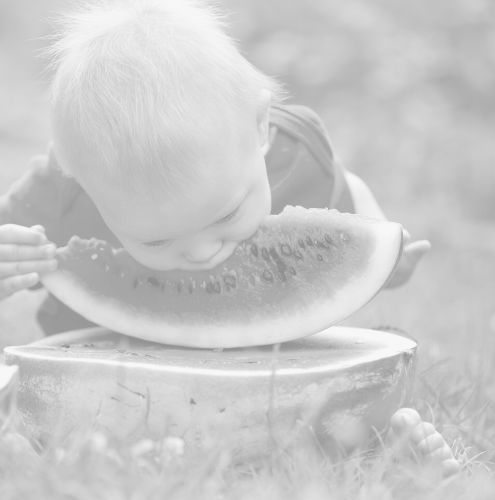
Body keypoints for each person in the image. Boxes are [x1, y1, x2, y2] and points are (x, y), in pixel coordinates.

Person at [0, 0, 457, 475]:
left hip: (282, 377)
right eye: (156, 242)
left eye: (228, 213)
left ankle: (387, 448)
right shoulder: (61, 193)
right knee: (52, 424)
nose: (202, 251)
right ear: (80, 181)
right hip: (114, 390)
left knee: (377, 357)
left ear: (260, 127)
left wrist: (387, 262)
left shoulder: (295, 157)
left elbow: (350, 199)